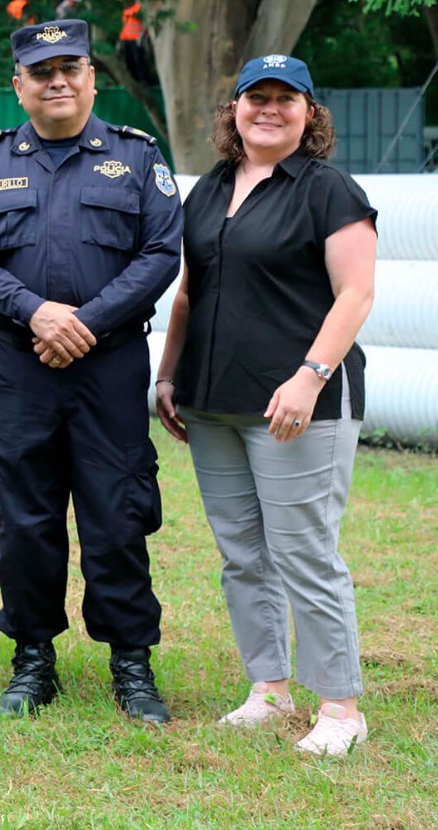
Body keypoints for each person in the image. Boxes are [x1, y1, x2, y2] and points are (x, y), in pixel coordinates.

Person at [0, 20, 182, 723]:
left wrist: (85, 323)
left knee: (118, 515)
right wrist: (37, 313)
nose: (57, 81)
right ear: (18, 86)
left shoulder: (137, 158)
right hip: (20, 367)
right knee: (25, 516)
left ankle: (132, 664)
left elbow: (161, 252)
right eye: (41, 71)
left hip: (108, 367)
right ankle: (32, 659)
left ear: (92, 77)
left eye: (70, 67)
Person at [154, 54, 377, 757]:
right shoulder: (210, 188)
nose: (269, 109)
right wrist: (167, 374)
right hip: (214, 401)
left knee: (303, 551)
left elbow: (356, 295)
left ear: (310, 114)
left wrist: (310, 375)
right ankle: (269, 690)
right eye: (257, 97)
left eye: (287, 99)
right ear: (235, 109)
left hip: (297, 404)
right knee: (243, 553)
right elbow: (189, 292)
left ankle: (340, 709)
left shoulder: (329, 191)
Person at [119, 0, 152, 85]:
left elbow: (145, 23)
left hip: (137, 39)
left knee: (139, 61)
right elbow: (126, 26)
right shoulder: (125, 12)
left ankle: (144, 80)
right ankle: (135, 81)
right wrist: (121, 40)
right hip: (127, 40)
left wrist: (143, 36)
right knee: (129, 61)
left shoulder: (138, 8)